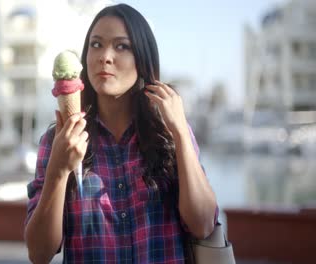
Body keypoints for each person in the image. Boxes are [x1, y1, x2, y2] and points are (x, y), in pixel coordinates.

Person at [25, 4, 217, 263]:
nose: (105, 56)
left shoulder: (170, 132)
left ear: (143, 58)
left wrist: (181, 132)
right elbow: (39, 253)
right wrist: (57, 172)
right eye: (96, 44)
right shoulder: (60, 140)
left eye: (121, 46)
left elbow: (203, 224)